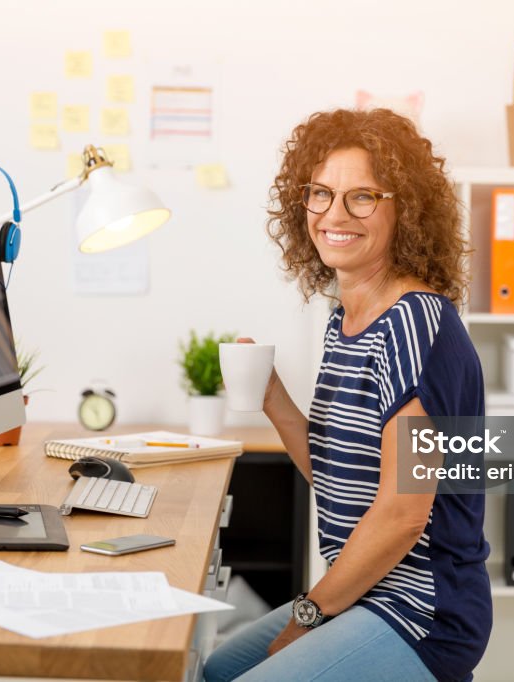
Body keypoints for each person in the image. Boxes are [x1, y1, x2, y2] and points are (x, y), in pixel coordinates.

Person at [204, 108, 491, 682]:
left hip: (420, 612)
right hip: (369, 595)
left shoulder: (413, 324)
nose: (335, 214)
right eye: (321, 194)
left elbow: (403, 514)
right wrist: (272, 397)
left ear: (403, 211)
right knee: (216, 670)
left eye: (362, 197)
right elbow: (339, 475)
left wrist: (307, 617)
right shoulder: (348, 320)